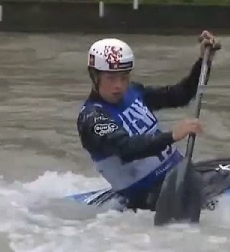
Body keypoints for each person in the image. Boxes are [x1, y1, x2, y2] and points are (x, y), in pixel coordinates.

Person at [76, 32, 218, 211]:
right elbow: (126, 148)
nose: (119, 85)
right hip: (146, 196)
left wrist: (204, 61)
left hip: (177, 175)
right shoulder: (92, 118)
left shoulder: (133, 92)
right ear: (94, 77)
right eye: (110, 78)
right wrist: (172, 136)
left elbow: (179, 95)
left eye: (124, 77)